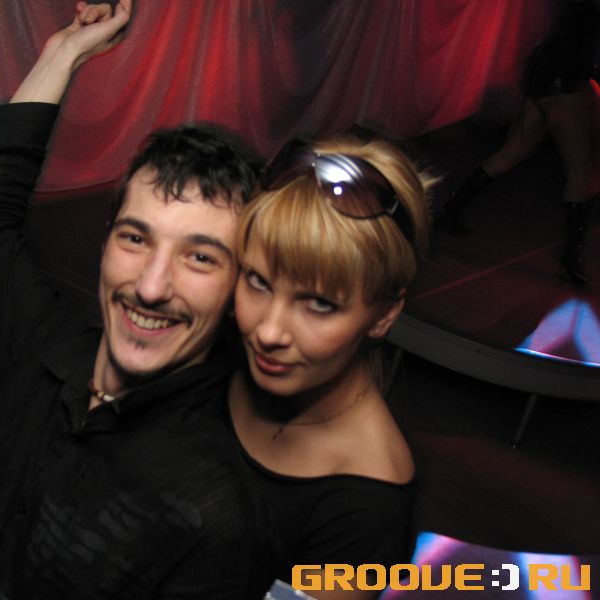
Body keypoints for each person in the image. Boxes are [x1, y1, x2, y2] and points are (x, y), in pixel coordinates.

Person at [0, 2, 277, 598]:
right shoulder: (52, 356)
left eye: (200, 257)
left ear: (242, 285)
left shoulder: (220, 509)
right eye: (136, 239)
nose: (152, 287)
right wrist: (66, 50)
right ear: (106, 240)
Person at [227, 135, 434, 598]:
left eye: (319, 304)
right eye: (258, 281)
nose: (268, 332)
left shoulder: (368, 511)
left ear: (384, 314)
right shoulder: (222, 353)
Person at [438, 0, 599, 286]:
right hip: (564, 83)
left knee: (511, 153)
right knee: (580, 174)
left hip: (548, 77)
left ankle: (449, 211)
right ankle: (570, 262)